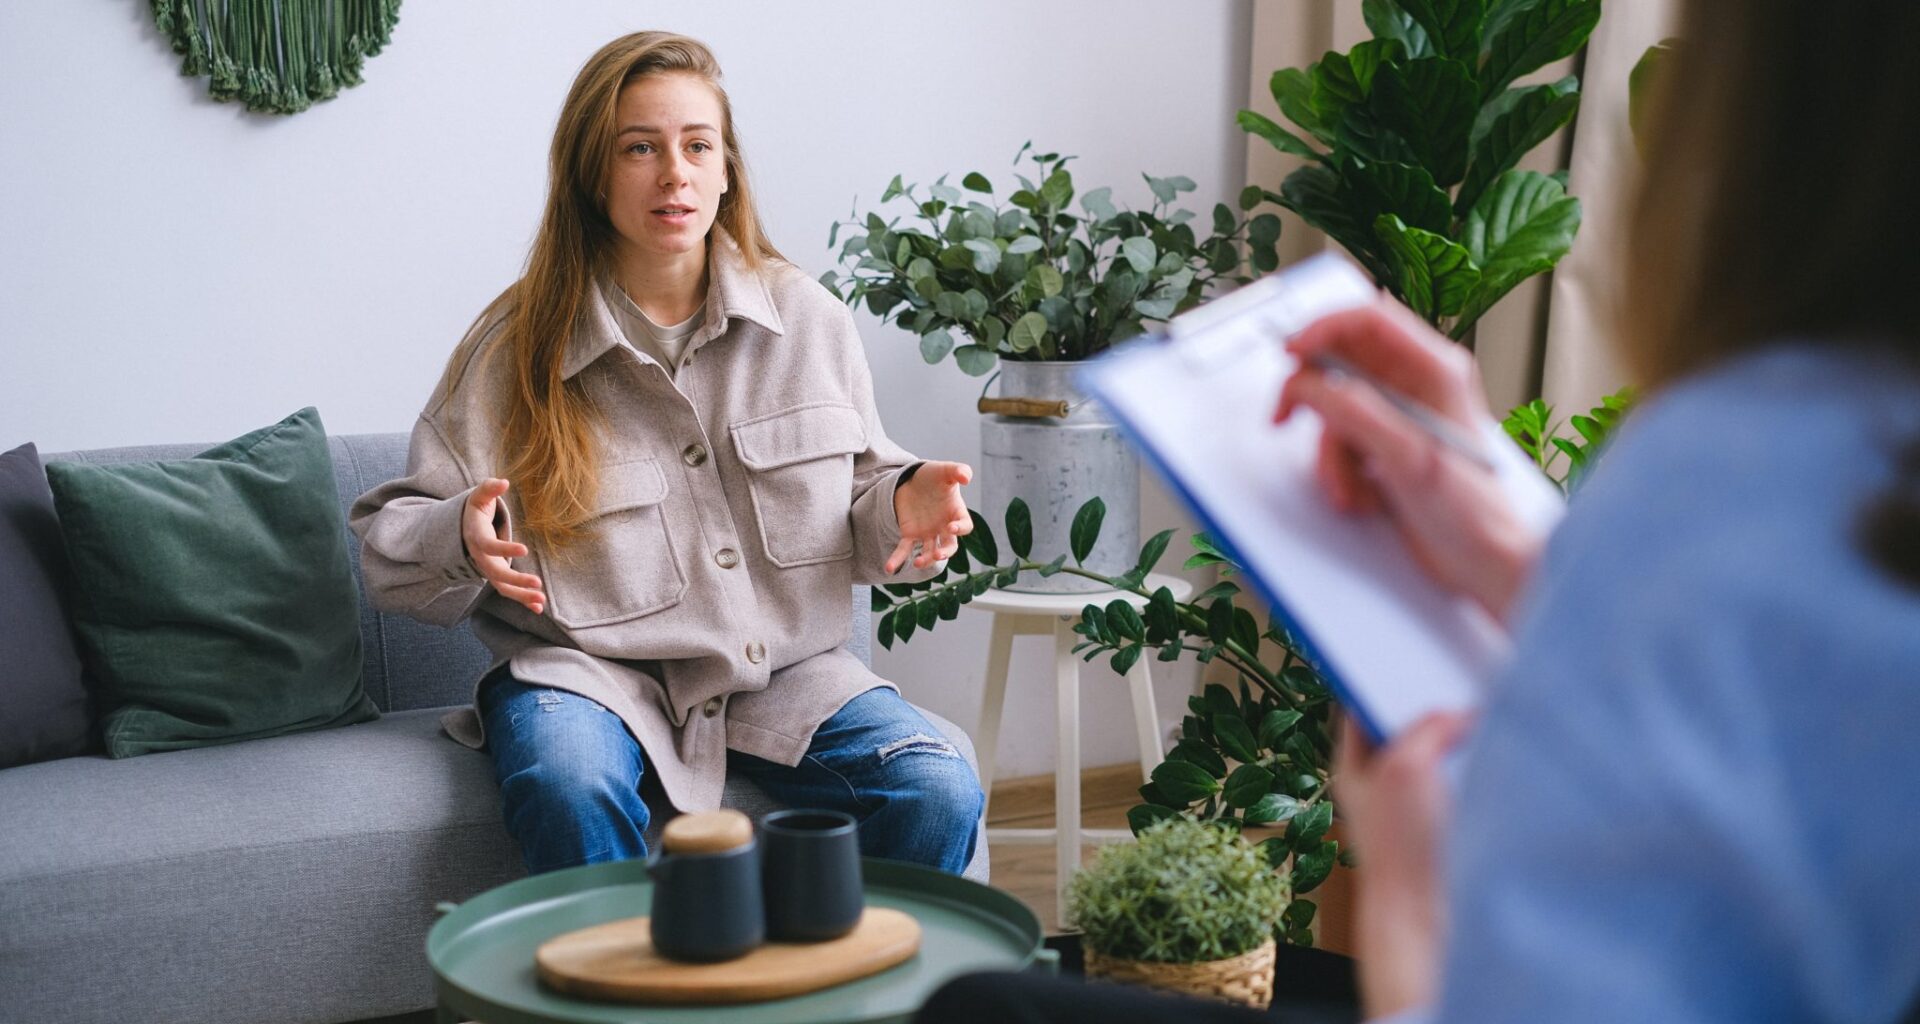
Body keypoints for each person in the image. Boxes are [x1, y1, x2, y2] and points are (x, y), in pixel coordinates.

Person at [920, 0, 1920, 1019]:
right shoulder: (1844, 476)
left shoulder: (1767, 454)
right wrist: (1518, 536)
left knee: (993, 1006)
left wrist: (1412, 889)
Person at [350, 31, 985, 876]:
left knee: (937, 786)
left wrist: (904, 504)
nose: (674, 173)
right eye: (639, 148)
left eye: (697, 146)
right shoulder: (510, 349)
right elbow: (388, 547)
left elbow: (865, 500)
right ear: (592, 174)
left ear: (727, 171)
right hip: (584, 679)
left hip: (784, 678)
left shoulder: (810, 321)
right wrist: (459, 538)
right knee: (566, 784)